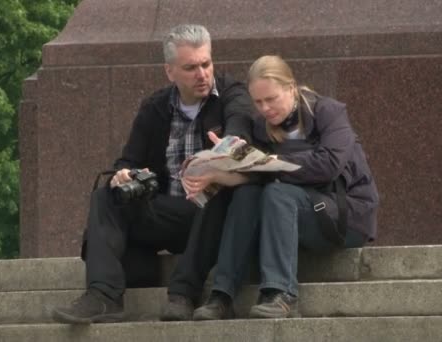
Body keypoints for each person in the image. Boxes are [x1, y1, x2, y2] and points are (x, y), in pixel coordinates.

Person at [51, 24, 254, 324]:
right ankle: (103, 296)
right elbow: (127, 160)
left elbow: (240, 124)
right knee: (106, 196)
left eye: (206, 64)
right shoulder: (155, 107)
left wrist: (230, 145)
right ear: (170, 71)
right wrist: (124, 175)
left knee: (215, 196)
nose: (202, 74)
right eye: (190, 67)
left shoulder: (230, 94)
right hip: (166, 211)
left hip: (212, 215)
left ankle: (183, 294)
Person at [186, 55, 379, 320]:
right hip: (296, 212)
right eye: (258, 102)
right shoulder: (262, 130)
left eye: (271, 99)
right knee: (247, 193)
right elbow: (259, 176)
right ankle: (222, 295)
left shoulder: (327, 112)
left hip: (346, 215)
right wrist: (220, 173)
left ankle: (281, 293)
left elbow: (329, 165)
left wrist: (276, 161)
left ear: (291, 88)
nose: (265, 108)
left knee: (278, 193)